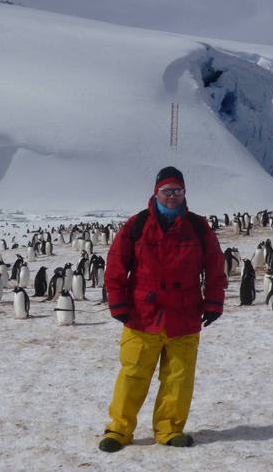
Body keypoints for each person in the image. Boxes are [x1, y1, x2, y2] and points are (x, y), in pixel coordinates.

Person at [99, 166, 226, 452]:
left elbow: (215, 267)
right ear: (156, 192)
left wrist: (214, 301)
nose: (172, 196)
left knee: (178, 378)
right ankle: (118, 429)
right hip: (143, 315)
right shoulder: (137, 225)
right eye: (167, 191)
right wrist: (118, 303)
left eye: (177, 191)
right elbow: (116, 265)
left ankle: (169, 429)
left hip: (184, 314)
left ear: (184, 193)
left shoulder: (198, 227)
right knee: (133, 374)